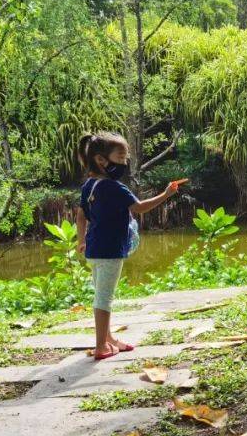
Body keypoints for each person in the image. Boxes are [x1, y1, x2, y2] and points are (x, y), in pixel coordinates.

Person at [76, 132, 179, 360]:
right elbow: (140, 207)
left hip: (93, 249)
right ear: (102, 160)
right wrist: (167, 193)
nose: (124, 163)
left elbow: (81, 215)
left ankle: (109, 338)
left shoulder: (89, 185)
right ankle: (101, 345)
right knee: (104, 298)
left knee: (102, 294)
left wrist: (81, 240)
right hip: (110, 251)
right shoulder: (114, 187)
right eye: (121, 157)